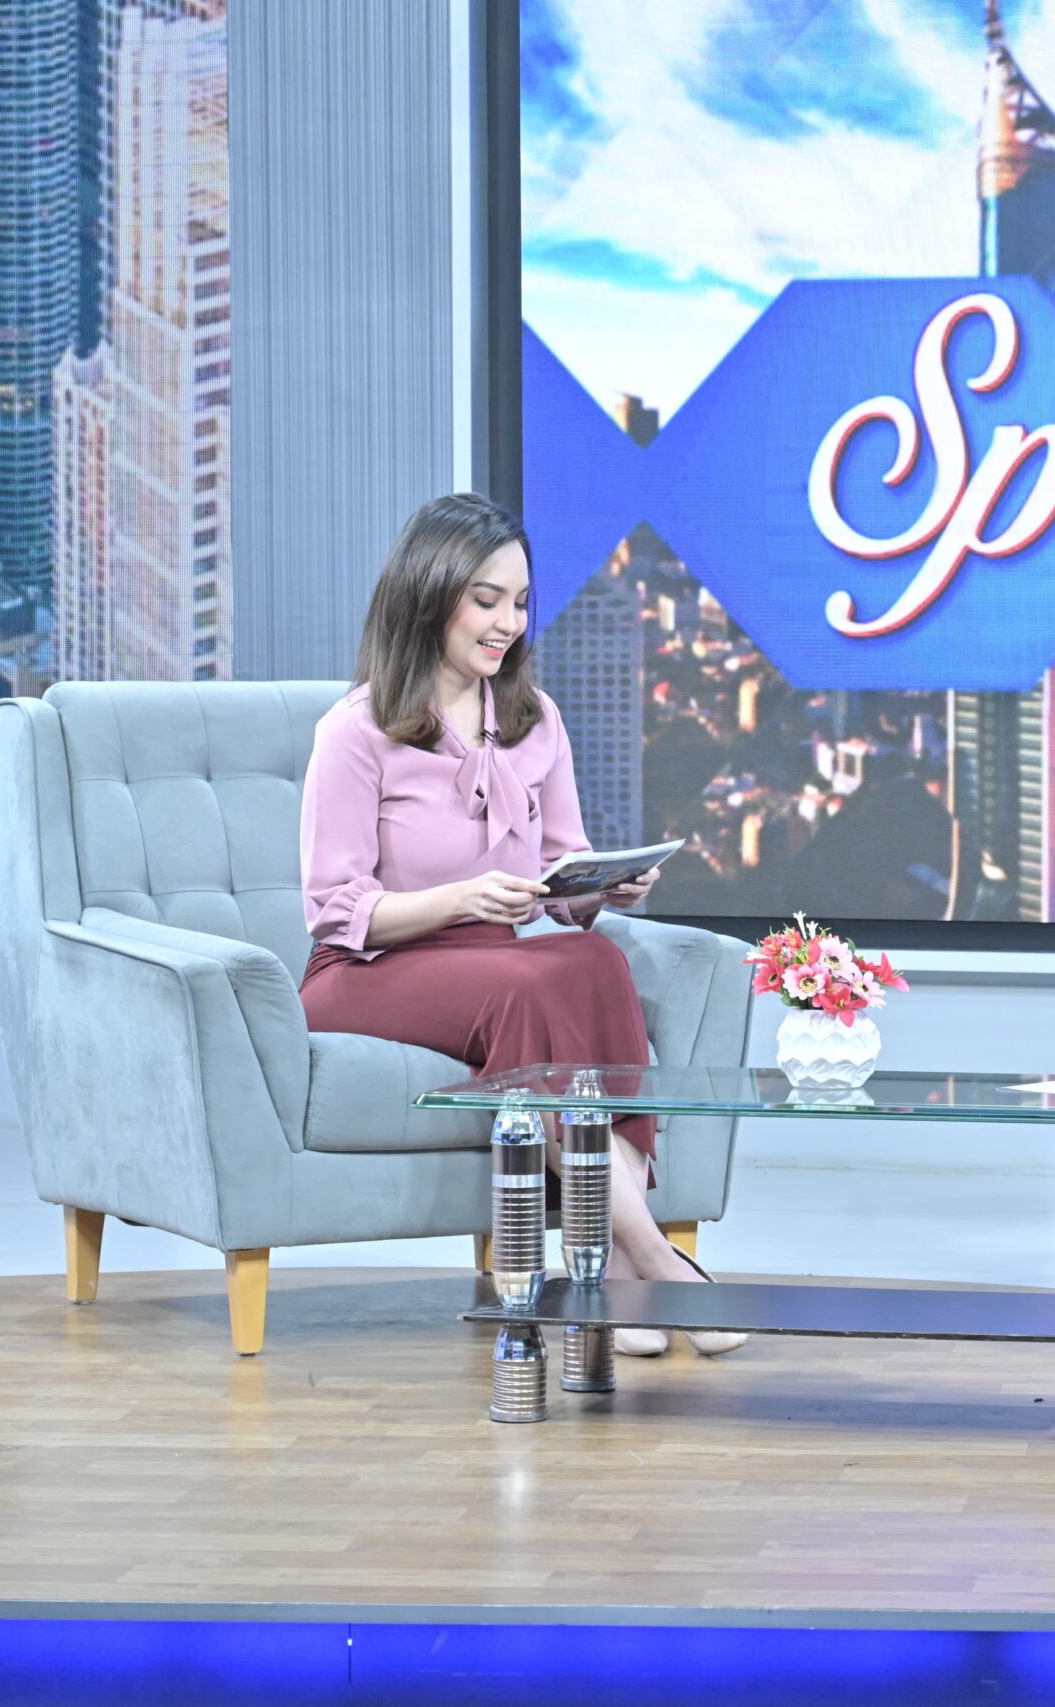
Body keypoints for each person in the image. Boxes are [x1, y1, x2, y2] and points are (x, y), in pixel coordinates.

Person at [299, 492, 740, 1359]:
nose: (508, 623)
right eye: (486, 600)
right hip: (367, 969)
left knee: (593, 960)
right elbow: (336, 909)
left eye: (521, 602)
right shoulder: (355, 732)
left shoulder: (535, 720)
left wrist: (607, 887)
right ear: (431, 595)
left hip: (490, 959)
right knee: (529, 985)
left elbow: (563, 875)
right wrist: (464, 900)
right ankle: (654, 1256)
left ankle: (610, 1260)